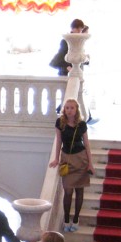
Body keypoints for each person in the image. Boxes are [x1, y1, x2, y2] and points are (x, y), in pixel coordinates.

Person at [48, 98, 94, 233]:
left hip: (81, 158)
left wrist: (90, 163)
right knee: (68, 191)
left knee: (80, 190)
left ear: (76, 109)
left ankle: (76, 219)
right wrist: (56, 158)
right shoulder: (60, 123)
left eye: (72, 108)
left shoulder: (81, 124)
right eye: (67, 107)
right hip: (67, 159)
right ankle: (66, 219)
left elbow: (87, 144)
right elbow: (59, 142)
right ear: (64, 109)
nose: (69, 110)